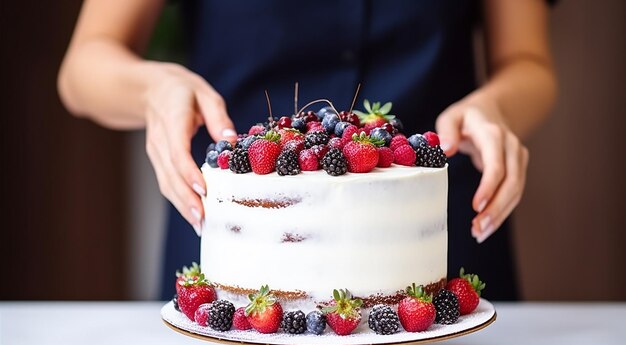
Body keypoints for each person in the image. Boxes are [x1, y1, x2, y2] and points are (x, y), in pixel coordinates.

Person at [58, 0, 557, 302]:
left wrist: (496, 107)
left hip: (435, 249)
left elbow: (526, 61)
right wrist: (154, 89)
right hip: (237, 251)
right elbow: (83, 67)